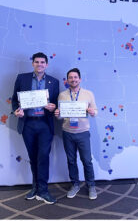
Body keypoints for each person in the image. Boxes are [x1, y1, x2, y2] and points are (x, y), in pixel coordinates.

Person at [12, 52, 59, 204]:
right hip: (28, 124)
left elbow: (56, 104)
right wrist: (16, 111)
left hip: (45, 124)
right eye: (37, 62)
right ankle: (35, 188)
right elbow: (14, 100)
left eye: (42, 62)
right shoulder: (22, 78)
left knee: (43, 157)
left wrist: (53, 107)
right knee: (33, 157)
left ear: (47, 64)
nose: (40, 64)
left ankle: (43, 191)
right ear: (33, 63)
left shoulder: (54, 81)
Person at [55, 68, 98, 200]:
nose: (73, 80)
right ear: (67, 80)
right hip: (68, 133)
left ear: (80, 79)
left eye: (75, 77)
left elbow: (95, 111)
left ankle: (91, 185)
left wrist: (92, 112)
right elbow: (60, 116)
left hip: (83, 133)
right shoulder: (62, 95)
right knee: (71, 161)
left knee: (87, 161)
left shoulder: (88, 93)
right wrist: (57, 114)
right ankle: (75, 184)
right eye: (70, 78)